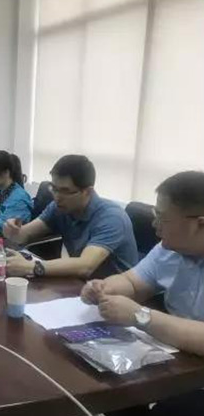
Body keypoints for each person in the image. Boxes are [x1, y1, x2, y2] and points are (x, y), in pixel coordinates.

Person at [82, 171, 204, 416]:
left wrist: (141, 316)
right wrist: (103, 288)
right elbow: (133, 282)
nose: (154, 224)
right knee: (111, 387)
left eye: (162, 218)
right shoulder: (169, 249)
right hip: (177, 356)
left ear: (200, 223)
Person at [3, 155, 138, 279]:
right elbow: (24, 235)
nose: (57, 197)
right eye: (54, 188)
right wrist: (12, 230)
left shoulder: (112, 218)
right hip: (83, 285)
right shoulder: (59, 207)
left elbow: (85, 266)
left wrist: (32, 267)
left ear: (87, 192)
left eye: (65, 191)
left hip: (118, 291)